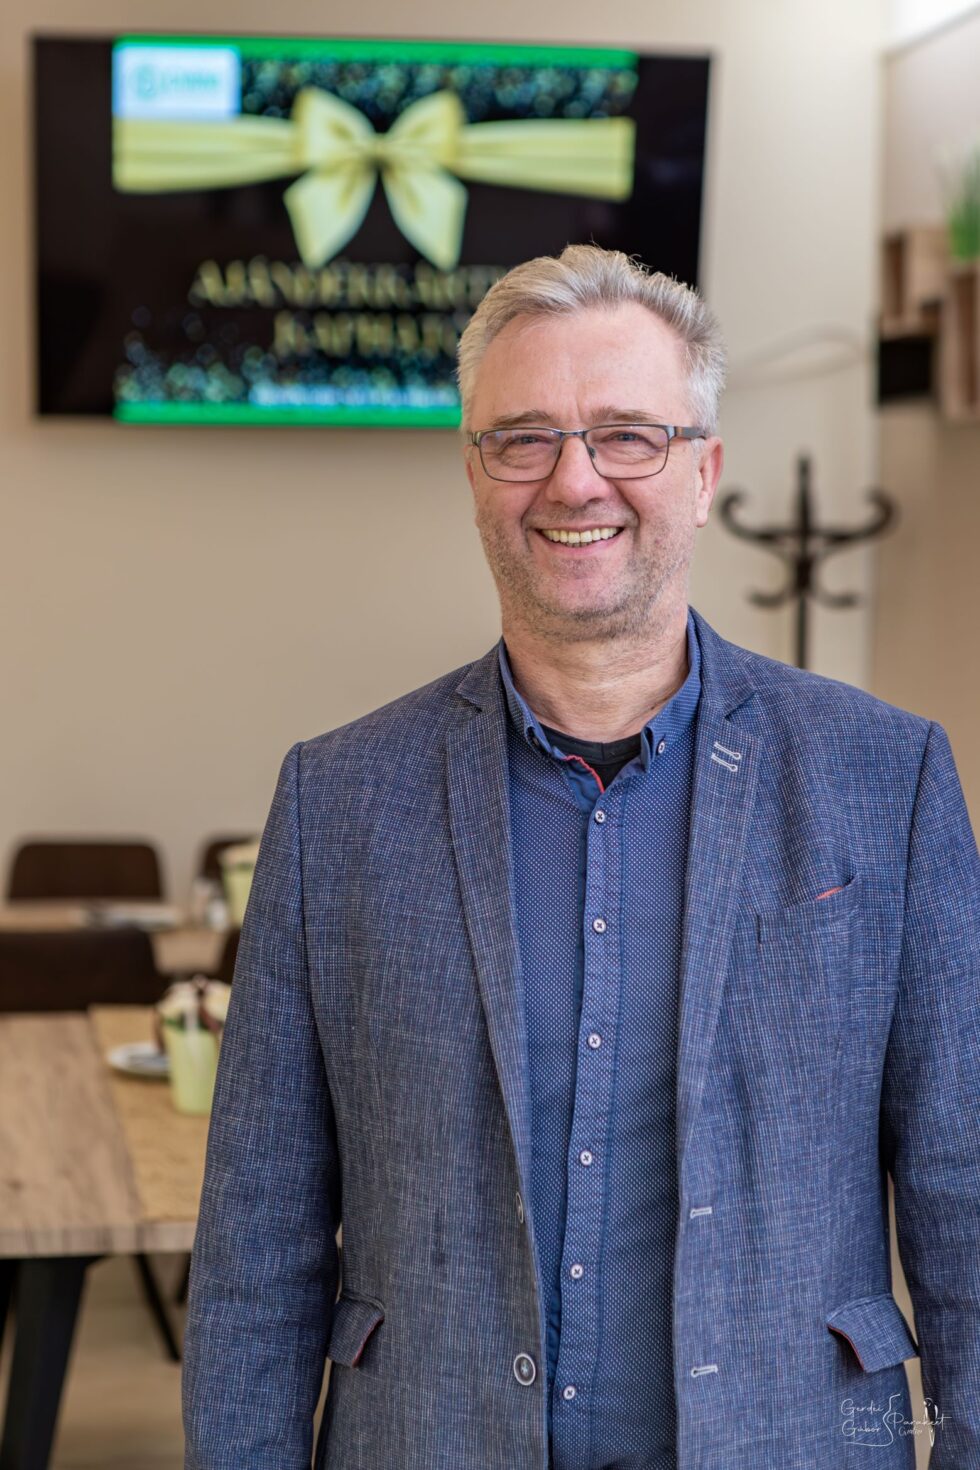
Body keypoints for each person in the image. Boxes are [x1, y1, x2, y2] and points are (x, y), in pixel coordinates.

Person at [182, 245, 979, 1470]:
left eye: (626, 436)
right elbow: (256, 1246)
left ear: (702, 472)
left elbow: (962, 1197)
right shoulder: (335, 801)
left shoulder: (888, 779)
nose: (573, 478)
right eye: (523, 438)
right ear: (473, 472)